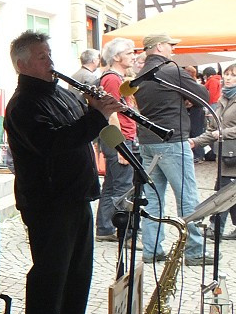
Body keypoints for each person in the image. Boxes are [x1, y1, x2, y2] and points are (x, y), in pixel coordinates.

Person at [4, 31, 123, 314]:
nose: (51, 62)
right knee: (49, 275)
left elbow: (84, 130)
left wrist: (101, 116)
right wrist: (96, 115)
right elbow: (54, 142)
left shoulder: (62, 93)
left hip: (76, 194)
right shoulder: (24, 103)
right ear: (23, 64)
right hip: (48, 202)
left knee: (78, 272)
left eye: (49, 54)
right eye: (42, 57)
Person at [132, 33, 209, 265]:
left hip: (147, 142)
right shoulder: (170, 71)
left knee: (153, 199)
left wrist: (180, 98)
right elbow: (204, 95)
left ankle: (152, 250)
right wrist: (186, 99)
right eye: (170, 45)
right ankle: (194, 251)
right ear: (159, 47)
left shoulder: (139, 76)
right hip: (172, 141)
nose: (173, 50)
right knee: (187, 196)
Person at [95, 37, 138, 242]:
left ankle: (104, 229)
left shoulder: (115, 78)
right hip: (120, 139)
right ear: (117, 56)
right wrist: (121, 146)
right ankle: (125, 232)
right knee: (123, 187)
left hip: (118, 138)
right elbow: (111, 114)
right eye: (129, 53)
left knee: (112, 186)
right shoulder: (112, 79)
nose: (133, 56)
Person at [192, 64, 236, 239]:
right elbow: (212, 130)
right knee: (228, 191)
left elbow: (220, 131)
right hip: (224, 154)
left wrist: (223, 133)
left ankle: (214, 227)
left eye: (233, 75)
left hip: (234, 154)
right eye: (227, 75)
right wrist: (195, 142)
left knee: (223, 191)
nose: (229, 78)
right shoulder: (223, 99)